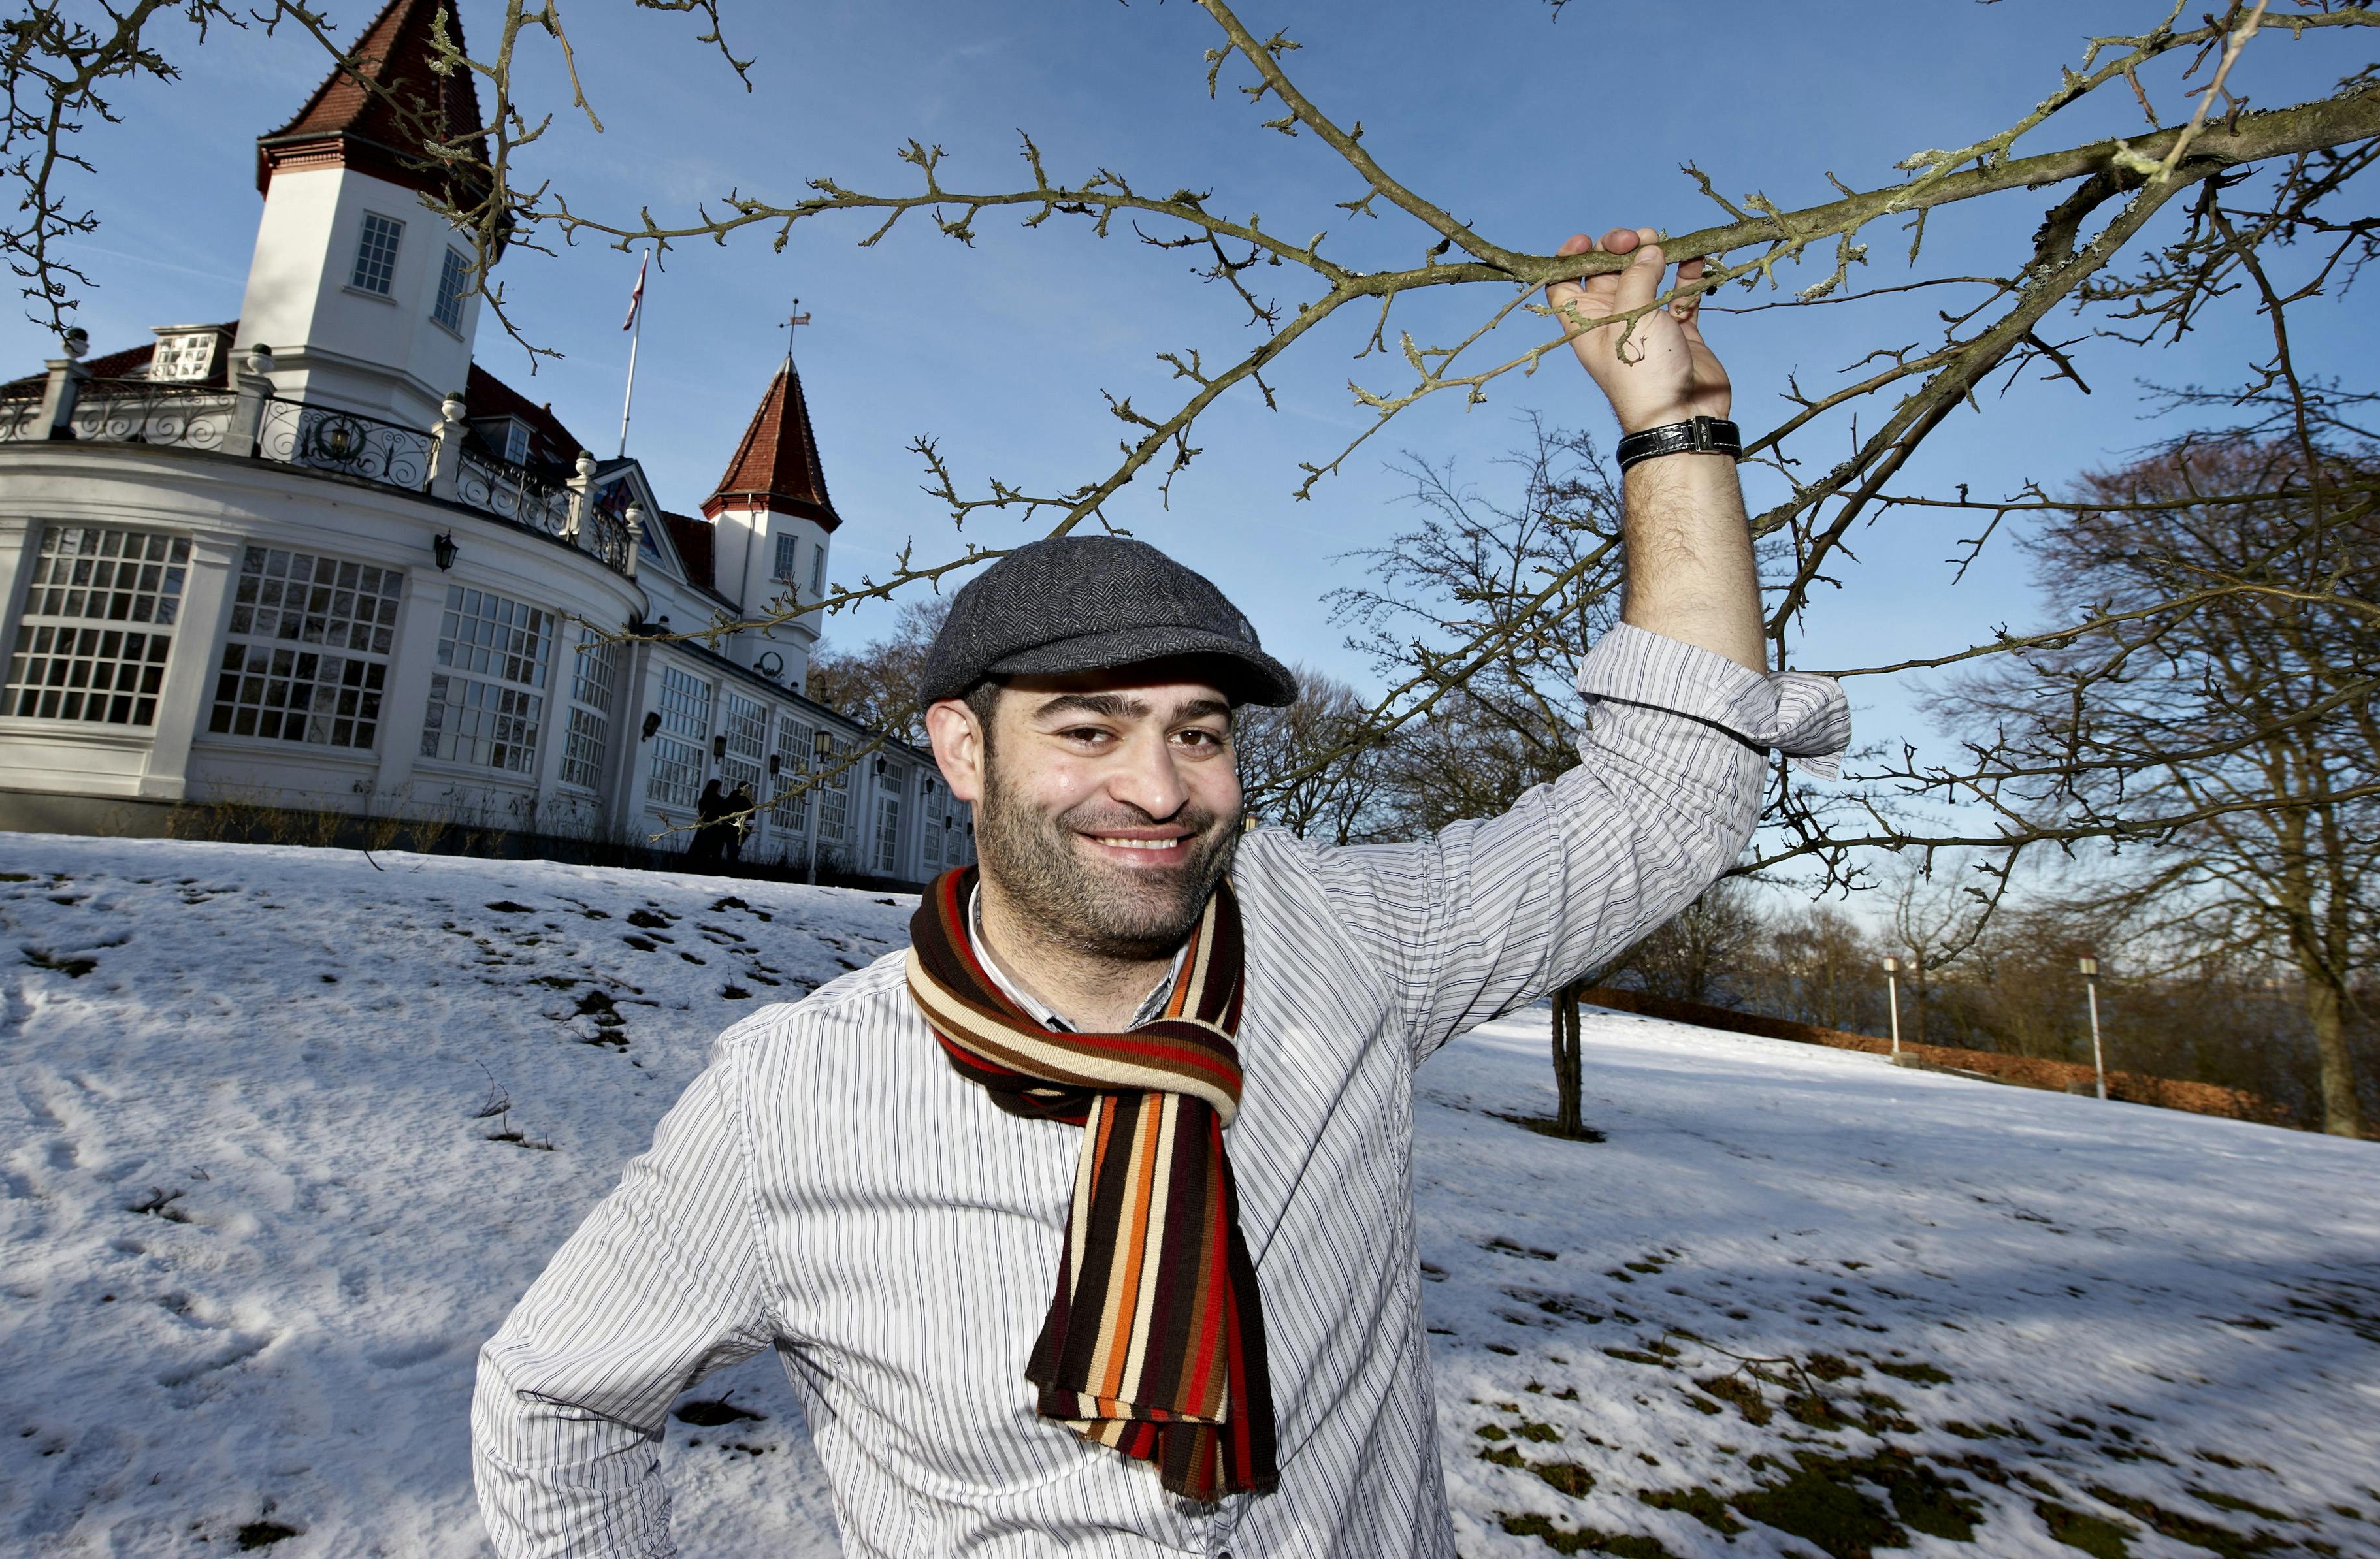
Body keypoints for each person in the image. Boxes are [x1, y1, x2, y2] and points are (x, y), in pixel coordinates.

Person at [472, 227, 1851, 1556]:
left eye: (1198, 730)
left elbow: (1661, 802)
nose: (1158, 786)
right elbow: (557, 1398)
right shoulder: (789, 1101)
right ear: (963, 749)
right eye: (1087, 731)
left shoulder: (1343, 945)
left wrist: (1676, 437)